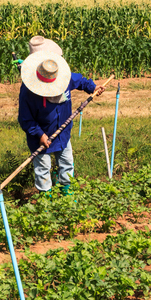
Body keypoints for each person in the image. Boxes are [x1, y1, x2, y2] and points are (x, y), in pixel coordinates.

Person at [18, 50, 103, 197]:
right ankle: (45, 198)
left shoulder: (64, 78)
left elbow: (80, 81)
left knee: (67, 163)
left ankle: (67, 194)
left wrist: (92, 87)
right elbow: (25, 119)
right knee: (43, 168)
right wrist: (39, 135)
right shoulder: (28, 91)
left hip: (62, 132)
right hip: (40, 137)